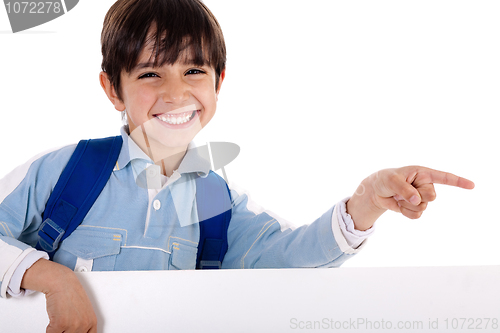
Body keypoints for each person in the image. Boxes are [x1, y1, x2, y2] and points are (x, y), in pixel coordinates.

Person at [0, 0, 475, 332]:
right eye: (150, 73)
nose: (175, 93)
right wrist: (52, 277)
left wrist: (366, 202)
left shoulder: (215, 198)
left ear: (218, 82)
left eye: (193, 71)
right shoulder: (67, 171)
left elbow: (286, 258)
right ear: (112, 88)